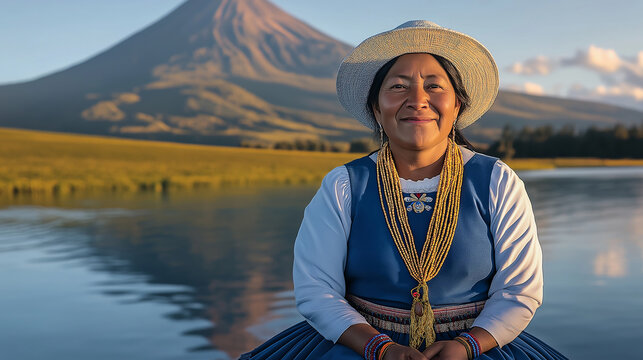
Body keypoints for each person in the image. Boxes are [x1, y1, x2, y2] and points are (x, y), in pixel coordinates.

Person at [240, 21, 568, 360]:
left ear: (457, 106)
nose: (417, 100)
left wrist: (467, 345)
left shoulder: (497, 181)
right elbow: (317, 290)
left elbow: (520, 291)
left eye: (434, 86)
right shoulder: (343, 185)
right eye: (398, 87)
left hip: (476, 346)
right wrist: (379, 348)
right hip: (361, 346)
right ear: (376, 109)